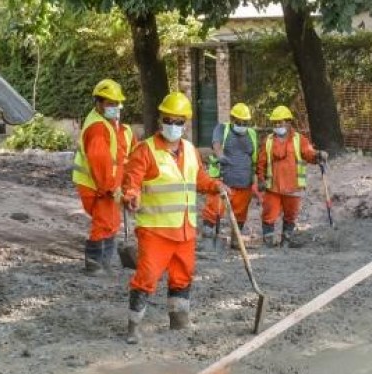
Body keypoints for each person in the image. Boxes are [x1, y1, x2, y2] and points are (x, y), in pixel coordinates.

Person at [121, 92, 225, 344]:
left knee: (183, 274)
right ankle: (133, 326)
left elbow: (198, 178)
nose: (174, 125)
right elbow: (131, 180)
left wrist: (214, 186)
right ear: (160, 120)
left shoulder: (190, 150)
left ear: (186, 123)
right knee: (146, 277)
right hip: (156, 229)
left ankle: (179, 320)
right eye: (170, 120)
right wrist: (131, 194)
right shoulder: (145, 150)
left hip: (185, 229)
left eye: (180, 121)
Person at [72, 79, 136, 276]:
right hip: (98, 186)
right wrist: (110, 188)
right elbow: (100, 162)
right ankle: (94, 264)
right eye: (110, 103)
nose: (115, 107)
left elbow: (127, 158)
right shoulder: (97, 128)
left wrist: (127, 185)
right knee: (105, 222)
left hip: (108, 185)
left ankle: (104, 262)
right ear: (98, 104)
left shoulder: (117, 127)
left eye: (117, 103)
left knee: (111, 222)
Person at [256, 105, 326, 247]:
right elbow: (261, 163)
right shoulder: (268, 141)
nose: (277, 126)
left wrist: (318, 156)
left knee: (290, 215)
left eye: (280, 122)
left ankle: (286, 241)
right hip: (273, 187)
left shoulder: (299, 140)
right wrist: (261, 179)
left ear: (288, 122)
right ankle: (268, 242)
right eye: (275, 123)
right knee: (269, 214)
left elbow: (309, 154)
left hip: (293, 188)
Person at [200, 102, 259, 248]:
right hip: (223, 179)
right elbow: (216, 144)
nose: (242, 124)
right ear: (232, 119)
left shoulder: (251, 134)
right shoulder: (222, 128)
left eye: (245, 122)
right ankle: (207, 240)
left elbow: (254, 158)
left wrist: (255, 179)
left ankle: (235, 240)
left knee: (240, 213)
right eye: (238, 121)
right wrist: (220, 156)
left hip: (243, 181)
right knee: (213, 209)